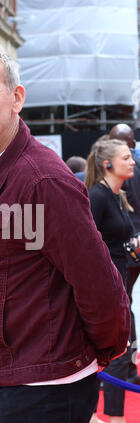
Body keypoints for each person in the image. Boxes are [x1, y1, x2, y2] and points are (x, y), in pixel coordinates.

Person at [0, 34, 130, 423]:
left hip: (44, 387)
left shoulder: (44, 180)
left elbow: (100, 284)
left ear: (16, 97)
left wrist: (93, 355)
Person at [84, 138, 140, 423]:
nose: (132, 162)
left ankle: (92, 418)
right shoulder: (98, 197)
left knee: (108, 352)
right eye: (125, 157)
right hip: (107, 287)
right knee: (120, 349)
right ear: (108, 164)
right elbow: (86, 244)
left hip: (119, 281)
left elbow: (117, 243)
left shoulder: (117, 196)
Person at [109, 123, 140, 385]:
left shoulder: (126, 174)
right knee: (124, 306)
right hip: (127, 248)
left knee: (123, 307)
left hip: (127, 249)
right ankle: (125, 369)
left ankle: (125, 370)